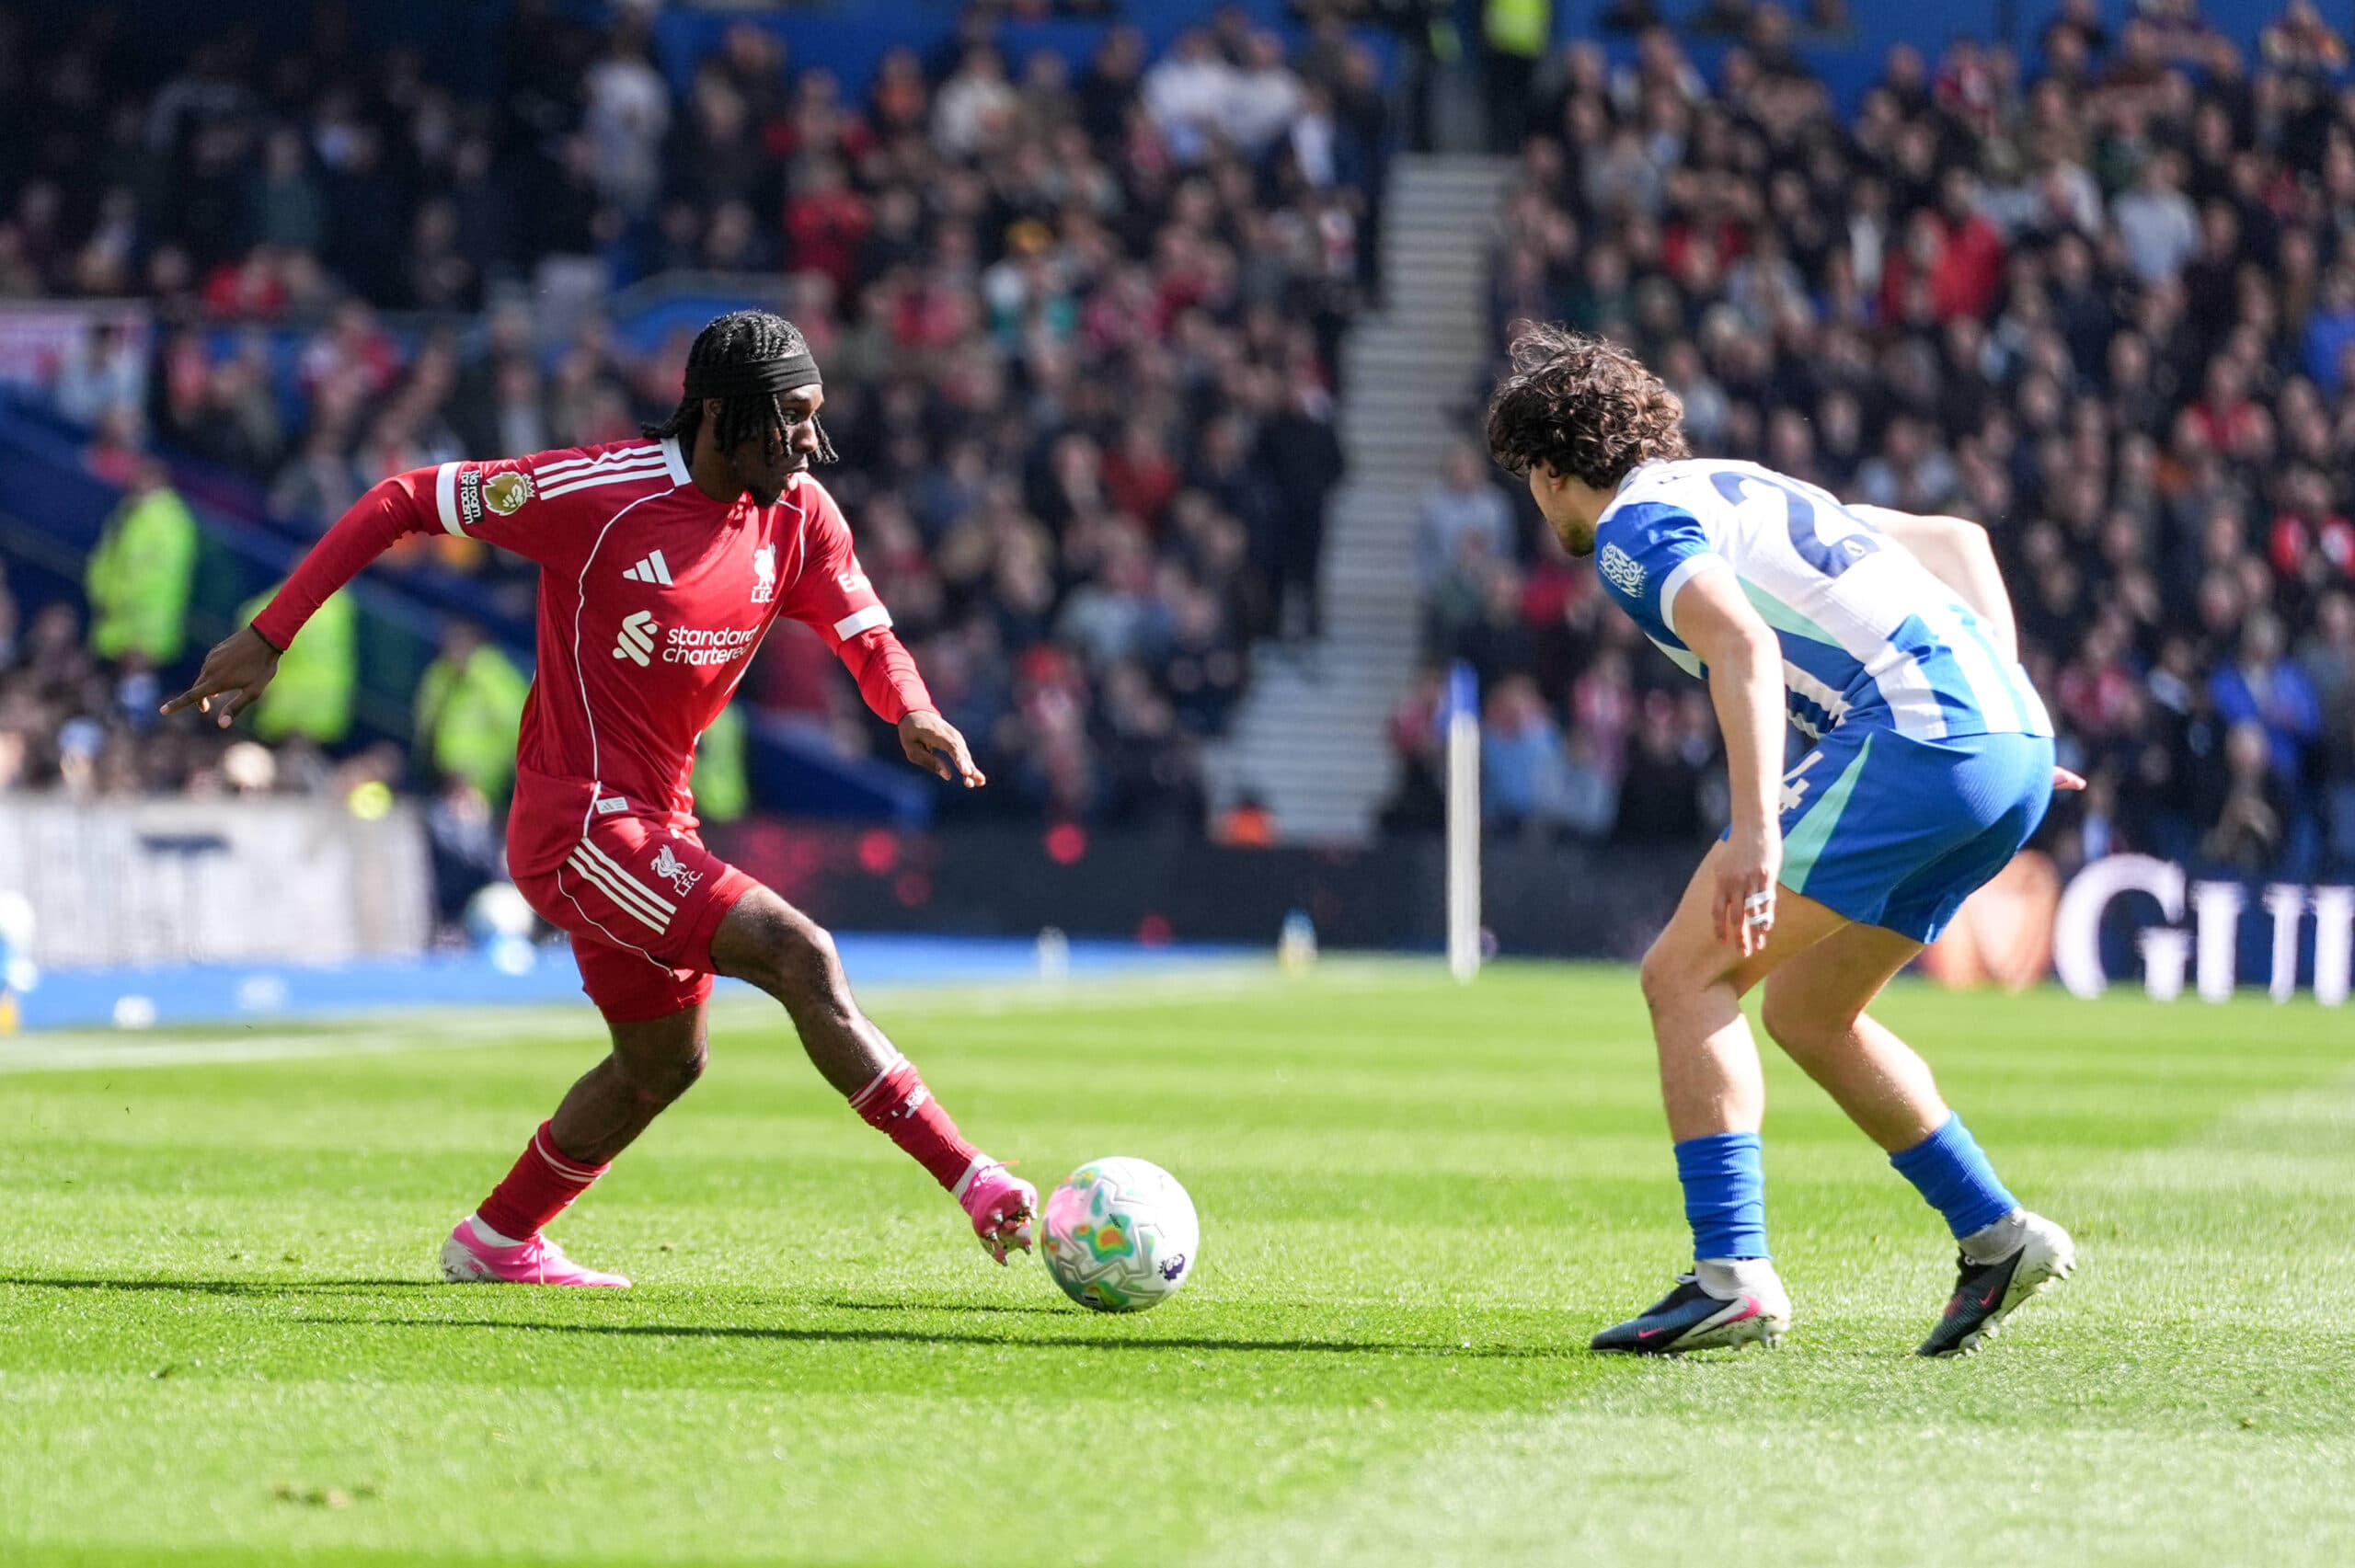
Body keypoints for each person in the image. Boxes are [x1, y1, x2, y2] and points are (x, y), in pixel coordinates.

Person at [165, 311, 1039, 1287]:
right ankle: (974, 1180)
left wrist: (912, 709)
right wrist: (271, 635)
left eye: (814, 414)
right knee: (800, 953)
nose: (810, 439)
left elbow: (866, 635)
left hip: (658, 821)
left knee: (664, 1062)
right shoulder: (600, 494)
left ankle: (498, 1239)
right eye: (792, 415)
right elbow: (401, 498)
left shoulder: (799, 515)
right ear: (723, 413)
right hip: (578, 821)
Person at [1485, 325, 2085, 1357]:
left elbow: (1744, 645)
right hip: (2009, 747)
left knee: (1684, 974)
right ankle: (1996, 1234)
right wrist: (2005, 703)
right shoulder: (1743, 484)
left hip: (1918, 740)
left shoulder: (1632, 530)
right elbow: (1958, 541)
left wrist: (1756, 829)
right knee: (1809, 1011)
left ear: (1548, 473)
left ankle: (1731, 1276)